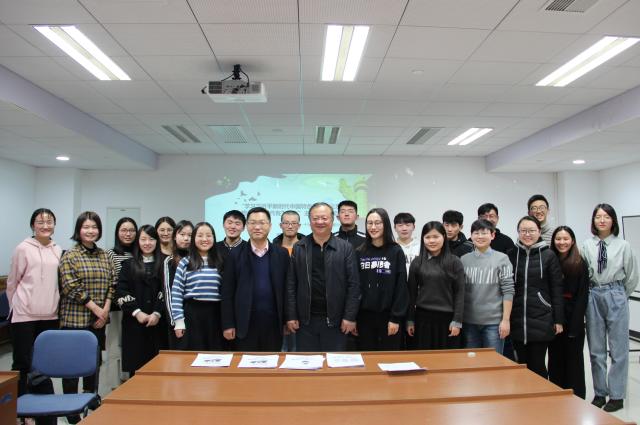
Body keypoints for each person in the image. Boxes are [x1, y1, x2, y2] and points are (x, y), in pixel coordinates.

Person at [58, 211, 116, 424]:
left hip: (98, 320)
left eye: (94, 227)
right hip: (75, 320)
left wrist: (105, 310)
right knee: (72, 365)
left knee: (93, 362)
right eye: (86, 227)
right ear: (79, 230)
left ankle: (90, 396)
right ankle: (70, 405)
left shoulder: (105, 255)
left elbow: (112, 282)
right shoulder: (70, 255)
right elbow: (71, 286)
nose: (91, 231)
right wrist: (96, 309)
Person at [582, 203, 638, 412]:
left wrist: (620, 295)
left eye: (606, 216)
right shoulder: (587, 245)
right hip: (593, 294)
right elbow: (583, 272)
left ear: (613, 220)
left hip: (616, 293)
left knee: (618, 349)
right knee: (596, 349)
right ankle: (600, 393)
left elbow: (632, 276)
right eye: (598, 217)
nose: (602, 220)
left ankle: (616, 395)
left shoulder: (623, 245)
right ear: (593, 221)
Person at [286, 202, 361, 351]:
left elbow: (354, 285)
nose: (320, 222)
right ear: (310, 221)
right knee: (307, 363)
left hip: (337, 321)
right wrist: (291, 315)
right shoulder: (299, 247)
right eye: (315, 218)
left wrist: (349, 317)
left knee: (334, 363)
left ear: (332, 220)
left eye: (324, 218)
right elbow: (291, 285)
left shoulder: (345, 248)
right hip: (305, 322)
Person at [7, 208, 61, 398]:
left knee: (44, 362)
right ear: (32, 225)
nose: (45, 226)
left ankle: (40, 404)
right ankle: (19, 405)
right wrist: (16, 307)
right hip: (24, 315)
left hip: (50, 315)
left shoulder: (57, 249)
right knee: (22, 362)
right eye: (40, 222)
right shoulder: (23, 248)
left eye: (49, 222)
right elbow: (12, 283)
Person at [221, 207, 290, 351]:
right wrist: (228, 324)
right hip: (244, 324)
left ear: (270, 226)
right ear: (247, 226)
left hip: (273, 324)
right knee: (245, 363)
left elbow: (287, 289)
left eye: (262, 223)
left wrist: (287, 319)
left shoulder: (282, 254)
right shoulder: (234, 255)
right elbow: (227, 292)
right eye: (252, 223)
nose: (257, 227)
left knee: (272, 362)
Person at [508, 216, 563, 379]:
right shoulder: (511, 255)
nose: (527, 234)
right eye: (523, 231)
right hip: (516, 318)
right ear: (518, 232)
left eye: (531, 230)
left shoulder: (549, 255)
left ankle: (542, 395)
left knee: (537, 365)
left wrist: (558, 319)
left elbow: (556, 288)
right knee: (520, 366)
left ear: (539, 232)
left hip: (542, 318)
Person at [356, 208, 408, 351]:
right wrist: (353, 317)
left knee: (388, 359)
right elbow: (355, 286)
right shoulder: (360, 252)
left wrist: (395, 318)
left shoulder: (396, 251)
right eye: (369, 223)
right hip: (364, 317)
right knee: (367, 358)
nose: (373, 227)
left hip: (389, 317)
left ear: (385, 224)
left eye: (378, 223)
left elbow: (401, 287)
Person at [115, 225, 165, 375]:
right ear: (138, 241)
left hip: (159, 324)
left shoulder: (165, 263)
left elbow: (167, 291)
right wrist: (137, 312)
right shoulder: (128, 265)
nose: (147, 243)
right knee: (136, 371)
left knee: (159, 370)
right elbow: (121, 291)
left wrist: (157, 313)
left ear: (157, 241)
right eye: (143, 239)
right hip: (134, 324)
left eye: (151, 239)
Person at [407, 221, 465, 349]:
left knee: (446, 358)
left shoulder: (454, 262)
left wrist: (457, 321)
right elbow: (411, 293)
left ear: (443, 237)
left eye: (436, 237)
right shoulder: (417, 262)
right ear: (423, 239)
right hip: (422, 319)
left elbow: (460, 293)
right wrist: (410, 320)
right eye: (427, 237)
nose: (432, 241)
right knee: (424, 358)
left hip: (448, 320)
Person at [460, 219, 514, 354]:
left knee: (493, 362)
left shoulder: (502, 259)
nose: (480, 236)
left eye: (484, 233)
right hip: (469, 322)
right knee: (471, 363)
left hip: (494, 324)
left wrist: (506, 320)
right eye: (476, 233)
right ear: (471, 236)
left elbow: (508, 291)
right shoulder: (464, 259)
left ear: (492, 235)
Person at [548, 225, 588, 399]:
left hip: (573, 320)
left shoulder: (580, 263)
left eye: (565, 239)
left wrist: (575, 326)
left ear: (572, 241)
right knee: (555, 360)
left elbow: (582, 296)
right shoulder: (550, 260)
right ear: (553, 241)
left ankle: (576, 398)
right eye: (558, 239)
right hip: (554, 320)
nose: (562, 242)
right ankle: (557, 397)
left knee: (574, 362)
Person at [171, 222, 224, 351]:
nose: (205, 239)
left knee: (215, 354)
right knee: (194, 354)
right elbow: (176, 293)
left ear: (214, 238)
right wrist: (179, 322)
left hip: (216, 314)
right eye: (200, 235)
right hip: (193, 314)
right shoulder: (185, 262)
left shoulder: (221, 261)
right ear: (194, 238)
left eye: (208, 235)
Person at [105, 217, 137, 383]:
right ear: (117, 233)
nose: (128, 234)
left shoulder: (139, 253)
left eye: (131, 230)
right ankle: (114, 384)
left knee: (131, 346)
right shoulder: (111, 254)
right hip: (118, 308)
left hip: (136, 308)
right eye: (124, 230)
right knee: (115, 346)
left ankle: (129, 380)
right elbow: (111, 282)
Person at [162, 220, 193, 349]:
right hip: (178, 320)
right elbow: (169, 293)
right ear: (175, 236)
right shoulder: (169, 261)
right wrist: (175, 322)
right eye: (182, 234)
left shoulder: (196, 259)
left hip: (194, 318)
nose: (186, 238)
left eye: (190, 235)